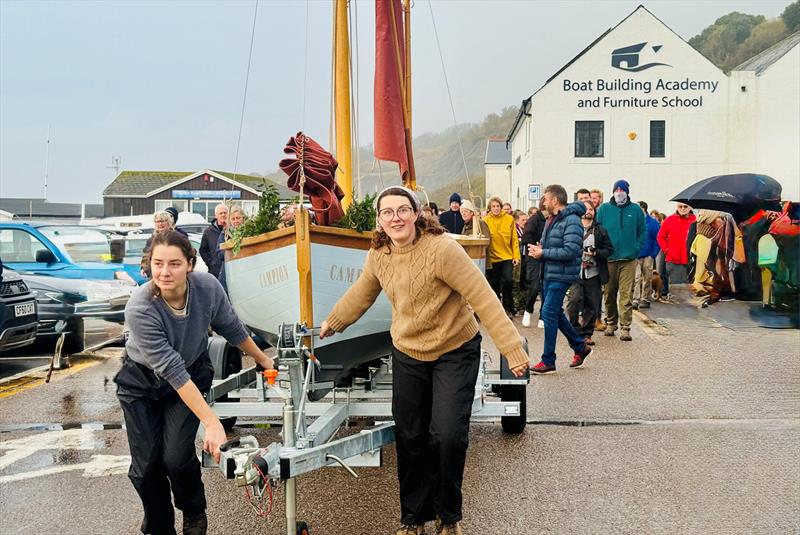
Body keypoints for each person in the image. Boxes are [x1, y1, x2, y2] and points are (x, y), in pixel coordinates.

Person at [319, 186, 529, 535]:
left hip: (454, 349)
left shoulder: (442, 250)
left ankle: (449, 517)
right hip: (408, 351)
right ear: (380, 220)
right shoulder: (379, 254)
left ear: (417, 213)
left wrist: (512, 349)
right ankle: (413, 519)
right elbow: (362, 293)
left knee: (447, 434)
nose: (395, 217)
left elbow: (483, 297)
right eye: (387, 212)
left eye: (402, 209)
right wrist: (333, 322)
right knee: (411, 435)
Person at [116, 230, 274, 535]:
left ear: (190, 263)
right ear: (148, 265)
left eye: (174, 263)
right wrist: (212, 421)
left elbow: (232, 327)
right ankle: (160, 526)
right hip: (141, 383)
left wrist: (264, 360)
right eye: (157, 263)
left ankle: (193, 511)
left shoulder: (207, 287)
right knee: (147, 466)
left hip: (189, 374)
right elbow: (169, 369)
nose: (164, 271)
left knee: (176, 458)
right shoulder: (140, 306)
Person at [528, 184, 593, 372]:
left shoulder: (571, 220)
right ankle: (579, 347)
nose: (544, 202)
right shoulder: (553, 219)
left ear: (555, 200)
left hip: (561, 274)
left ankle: (548, 360)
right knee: (554, 312)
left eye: (546, 199)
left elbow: (571, 250)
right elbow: (554, 245)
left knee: (548, 313)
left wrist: (544, 252)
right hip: (550, 272)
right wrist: (540, 248)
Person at [596, 180, 645, 342]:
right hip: (609, 258)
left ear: (627, 192)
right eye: (616, 189)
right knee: (609, 293)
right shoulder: (604, 209)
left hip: (628, 259)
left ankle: (625, 327)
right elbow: (598, 230)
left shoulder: (636, 210)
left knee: (626, 294)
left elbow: (642, 231)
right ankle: (611, 322)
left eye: (622, 189)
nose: (619, 192)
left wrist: (636, 247)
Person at [565, 201, 613, 345]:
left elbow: (610, 250)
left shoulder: (600, 230)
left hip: (593, 272)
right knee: (574, 301)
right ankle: (574, 329)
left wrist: (596, 252)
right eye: (586, 209)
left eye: (591, 209)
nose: (588, 211)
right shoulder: (572, 228)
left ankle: (586, 334)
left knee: (591, 305)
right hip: (575, 271)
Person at [484, 197, 520, 318]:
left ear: (501, 207)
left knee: (508, 281)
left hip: (506, 257)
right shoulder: (486, 220)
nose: (496, 208)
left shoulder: (509, 219)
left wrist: (516, 256)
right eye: (493, 206)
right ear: (490, 208)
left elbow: (514, 239)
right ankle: (496, 310)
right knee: (494, 285)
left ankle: (507, 308)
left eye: (498, 206)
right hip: (492, 258)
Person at [657, 202, 696, 295]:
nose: (682, 208)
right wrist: (667, 250)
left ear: (690, 207)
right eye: (680, 206)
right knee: (677, 291)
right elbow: (660, 236)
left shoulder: (695, 220)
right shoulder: (670, 219)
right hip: (673, 260)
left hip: (690, 260)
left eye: (685, 206)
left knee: (688, 291)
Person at [521, 198, 546, 328]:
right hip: (533, 256)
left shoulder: (554, 219)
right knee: (535, 285)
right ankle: (528, 310)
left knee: (545, 287)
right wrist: (535, 245)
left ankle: (543, 315)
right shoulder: (534, 219)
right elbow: (525, 237)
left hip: (547, 255)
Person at [633, 201, 660, 310]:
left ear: (643, 209)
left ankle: (645, 298)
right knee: (636, 278)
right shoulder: (633, 222)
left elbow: (657, 239)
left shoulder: (653, 223)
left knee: (647, 278)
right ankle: (635, 299)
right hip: (635, 255)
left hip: (648, 255)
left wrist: (653, 254)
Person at [216, 204, 246, 293]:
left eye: (238, 218)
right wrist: (231, 250)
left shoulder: (250, 231)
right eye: (233, 219)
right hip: (229, 274)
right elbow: (219, 253)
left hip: (245, 271)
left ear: (243, 218)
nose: (236, 221)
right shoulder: (225, 234)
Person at [460, 199, 491, 269]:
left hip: (479, 260)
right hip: (469, 260)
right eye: (461, 212)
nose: (463, 214)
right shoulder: (465, 226)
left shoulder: (480, 223)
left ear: (472, 213)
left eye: (465, 211)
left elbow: (487, 240)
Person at [199, 203, 228, 278]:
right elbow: (203, 250)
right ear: (216, 215)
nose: (223, 215)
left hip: (230, 269)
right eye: (220, 213)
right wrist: (211, 264)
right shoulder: (208, 232)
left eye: (225, 213)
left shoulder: (233, 230)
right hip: (215, 272)